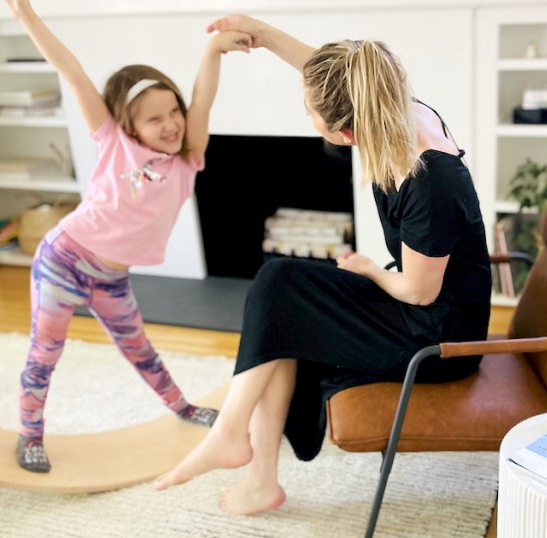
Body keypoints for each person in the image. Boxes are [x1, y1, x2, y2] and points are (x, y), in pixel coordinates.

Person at [153, 14, 492, 515]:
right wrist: (261, 34)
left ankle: (236, 439)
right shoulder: (395, 109)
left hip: (438, 337)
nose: (306, 115)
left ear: (347, 131)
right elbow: (337, 74)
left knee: (281, 290)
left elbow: (419, 292)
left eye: (311, 112)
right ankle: (253, 468)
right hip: (417, 306)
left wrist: (369, 271)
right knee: (281, 290)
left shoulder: (428, 181)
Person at [4, 0, 252, 473]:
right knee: (45, 352)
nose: (171, 124)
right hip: (65, 260)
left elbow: (202, 100)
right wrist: (26, 17)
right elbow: (72, 73)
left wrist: (214, 50)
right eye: (154, 118)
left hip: (112, 279)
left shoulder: (187, 158)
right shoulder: (112, 141)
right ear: (129, 125)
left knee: (140, 349)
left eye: (173, 111)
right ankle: (30, 434)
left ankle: (180, 407)